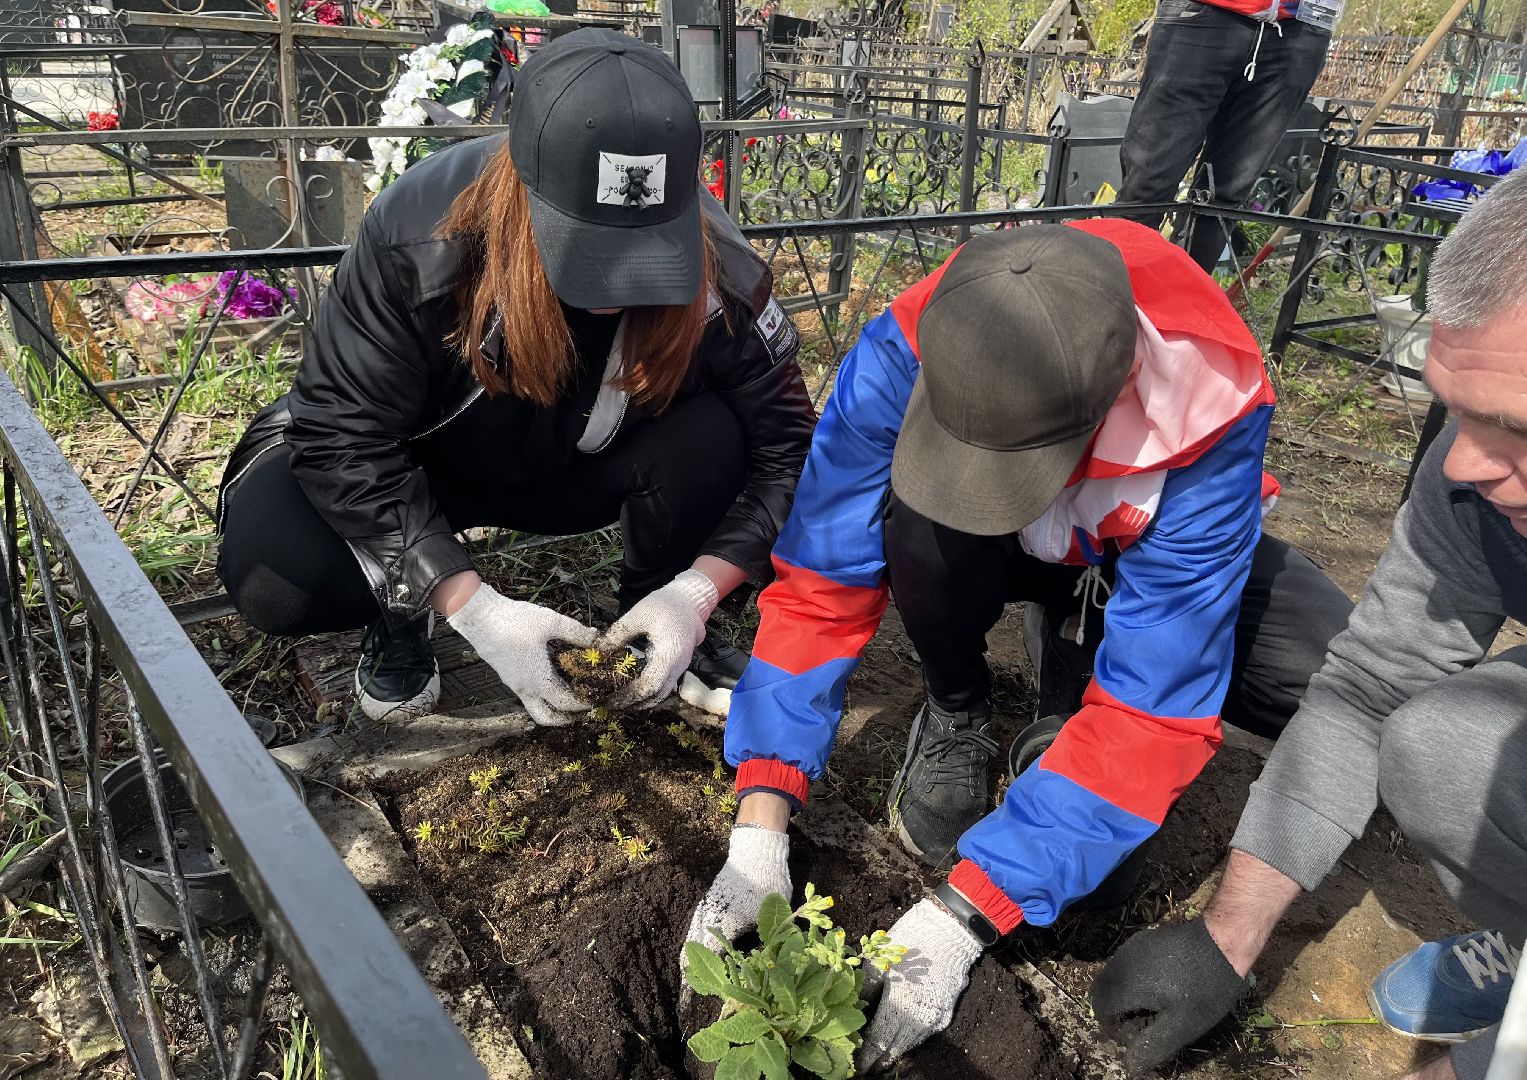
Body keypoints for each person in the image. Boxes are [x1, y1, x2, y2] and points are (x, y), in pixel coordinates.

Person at [683, 218, 1354, 1068]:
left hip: (1124, 548)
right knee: (914, 524)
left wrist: (962, 915)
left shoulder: (1207, 404)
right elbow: (821, 579)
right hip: (973, 546)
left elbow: (1155, 705)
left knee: (1311, 682)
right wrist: (760, 818)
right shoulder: (909, 344)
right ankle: (956, 703)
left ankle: (1071, 656)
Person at [216, 29, 814, 725]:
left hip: (573, 465)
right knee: (282, 573)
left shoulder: (724, 274)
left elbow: (790, 449)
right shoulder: (418, 237)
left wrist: (694, 594)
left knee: (714, 432)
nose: (615, 289)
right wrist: (472, 606)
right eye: (586, 250)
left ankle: (654, 623)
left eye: (646, 253)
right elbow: (340, 434)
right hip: (423, 462)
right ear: (521, 184)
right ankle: (403, 605)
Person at [1089, 170, 1527, 1080]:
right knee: (1443, 748)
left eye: (1512, 427)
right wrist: (1224, 939)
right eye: (1453, 410)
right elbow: (1371, 684)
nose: (1460, 464)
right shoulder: (1471, 472)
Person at [1117, 0, 1334, 272]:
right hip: (1203, 16)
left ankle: (1185, 293)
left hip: (1300, 27)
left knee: (1224, 197)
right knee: (1147, 186)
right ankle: (1114, 292)